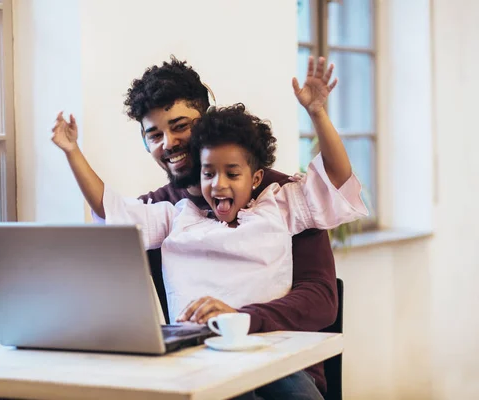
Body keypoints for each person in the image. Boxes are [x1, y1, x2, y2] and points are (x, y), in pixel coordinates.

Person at [52, 56, 367, 400]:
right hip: (198, 366)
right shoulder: (167, 212)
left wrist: (240, 320)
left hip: (281, 363)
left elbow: (321, 300)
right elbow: (110, 210)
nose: (168, 142)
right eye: (154, 134)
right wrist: (72, 152)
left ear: (206, 122)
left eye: (180, 125)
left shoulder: (279, 200)